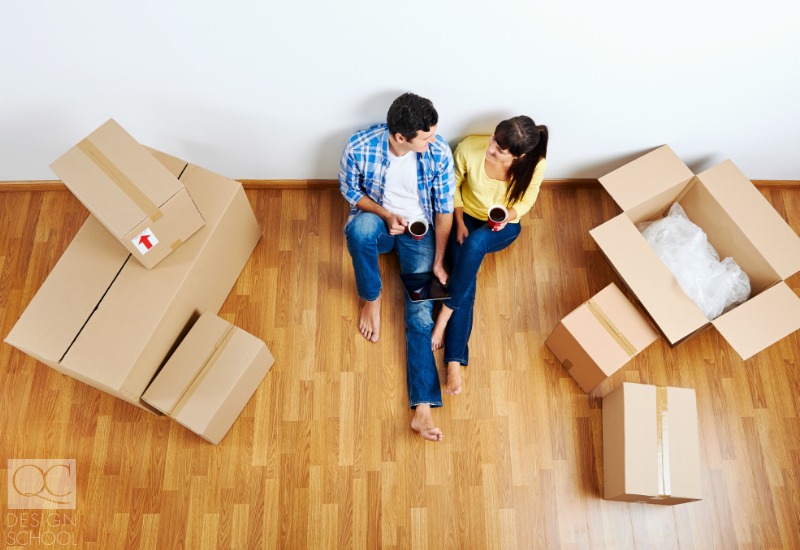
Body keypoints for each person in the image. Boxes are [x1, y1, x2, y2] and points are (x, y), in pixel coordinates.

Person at [339, 92, 454, 442]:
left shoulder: (438, 152)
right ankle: (371, 297)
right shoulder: (359, 147)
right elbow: (349, 190)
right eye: (427, 136)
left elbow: (445, 208)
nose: (434, 140)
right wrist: (386, 215)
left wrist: (438, 259)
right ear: (401, 137)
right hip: (381, 224)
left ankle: (422, 407)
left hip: (420, 234)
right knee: (358, 230)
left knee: (419, 314)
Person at [431, 116, 548, 395]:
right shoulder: (470, 149)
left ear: (518, 156)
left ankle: (443, 319)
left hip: (501, 227)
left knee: (474, 247)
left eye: (500, 150)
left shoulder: (535, 165)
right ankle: (454, 361)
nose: (492, 149)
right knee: (466, 278)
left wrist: (508, 216)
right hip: (467, 218)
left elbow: (526, 201)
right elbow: (453, 188)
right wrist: (459, 222)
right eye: (494, 140)